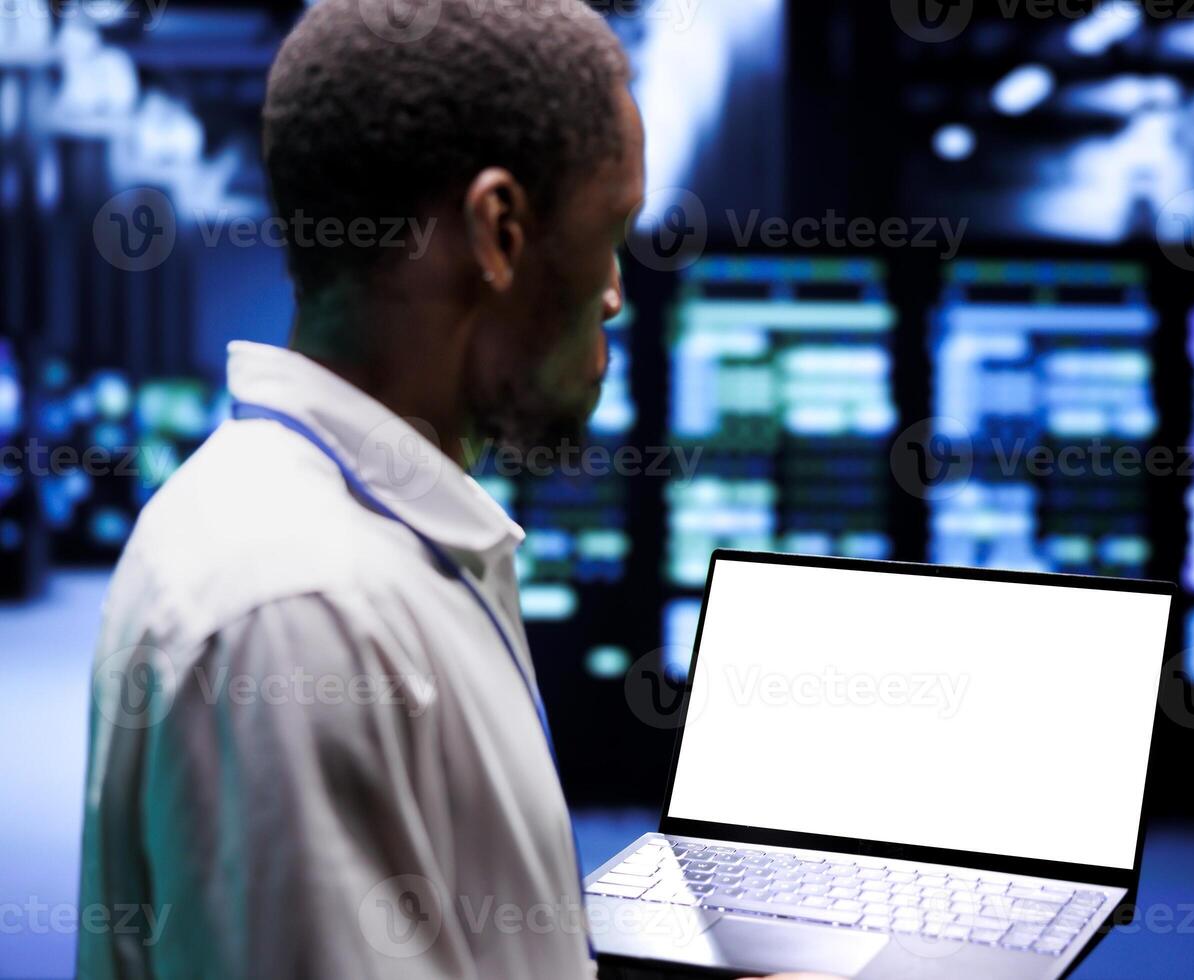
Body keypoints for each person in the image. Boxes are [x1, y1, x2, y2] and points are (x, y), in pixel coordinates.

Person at [77, 0, 836, 977]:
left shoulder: (364, 532)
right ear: (500, 231)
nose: (615, 292)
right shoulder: (305, 607)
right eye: (609, 234)